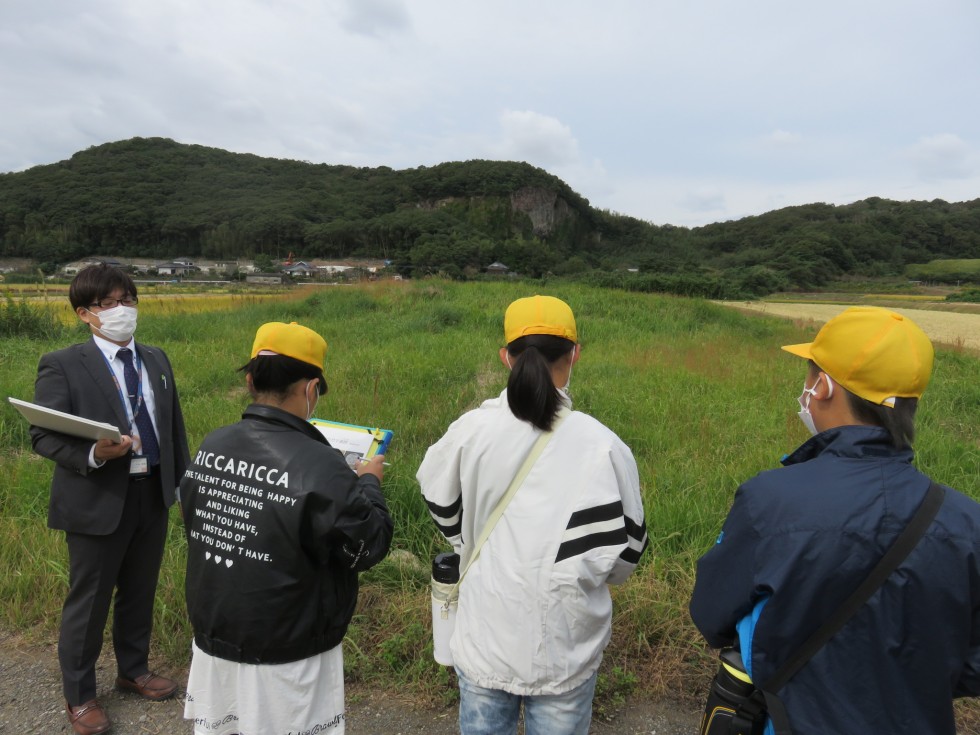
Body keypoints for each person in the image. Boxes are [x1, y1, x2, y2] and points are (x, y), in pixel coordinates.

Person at [689, 306, 980, 733]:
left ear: (822, 387)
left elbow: (711, 613)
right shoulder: (967, 521)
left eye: (810, 376)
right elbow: (971, 665)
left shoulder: (770, 500)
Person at [417, 295, 649, 735]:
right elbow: (626, 555)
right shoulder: (603, 446)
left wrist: (465, 543)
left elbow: (438, 499)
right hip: (565, 643)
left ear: (506, 357)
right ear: (575, 353)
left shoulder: (470, 431)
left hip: (485, 633)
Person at [180, 320, 393, 735]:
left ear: (249, 380)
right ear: (312, 388)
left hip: (216, 633)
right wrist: (368, 482)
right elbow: (370, 545)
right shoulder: (321, 463)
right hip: (290, 647)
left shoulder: (213, 443)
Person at [30, 263, 190, 735]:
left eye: (128, 299)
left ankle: (133, 669)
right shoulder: (63, 363)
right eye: (108, 303)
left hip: (151, 494)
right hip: (97, 498)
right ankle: (79, 696)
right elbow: (43, 436)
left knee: (139, 590)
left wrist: (178, 485)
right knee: (90, 600)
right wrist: (94, 453)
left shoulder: (156, 359)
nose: (122, 310)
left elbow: (172, 427)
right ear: (85, 314)